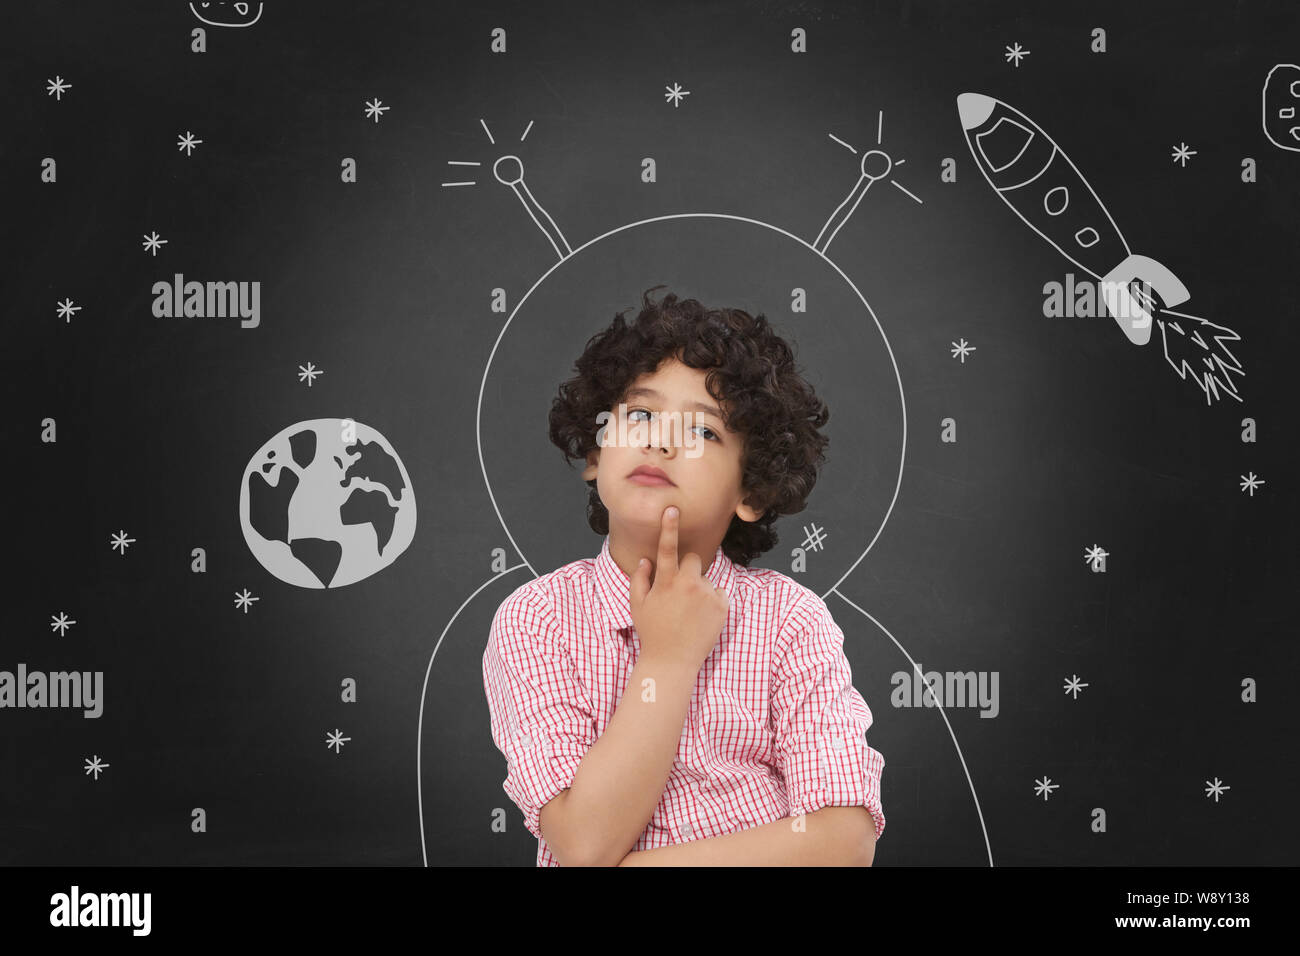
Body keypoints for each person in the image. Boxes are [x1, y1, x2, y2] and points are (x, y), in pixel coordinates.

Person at [481, 286, 885, 866]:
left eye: (703, 432)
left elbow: (842, 841)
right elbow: (583, 844)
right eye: (639, 414)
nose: (660, 438)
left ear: (751, 491)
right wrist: (667, 658)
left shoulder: (789, 620)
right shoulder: (538, 618)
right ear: (596, 455)